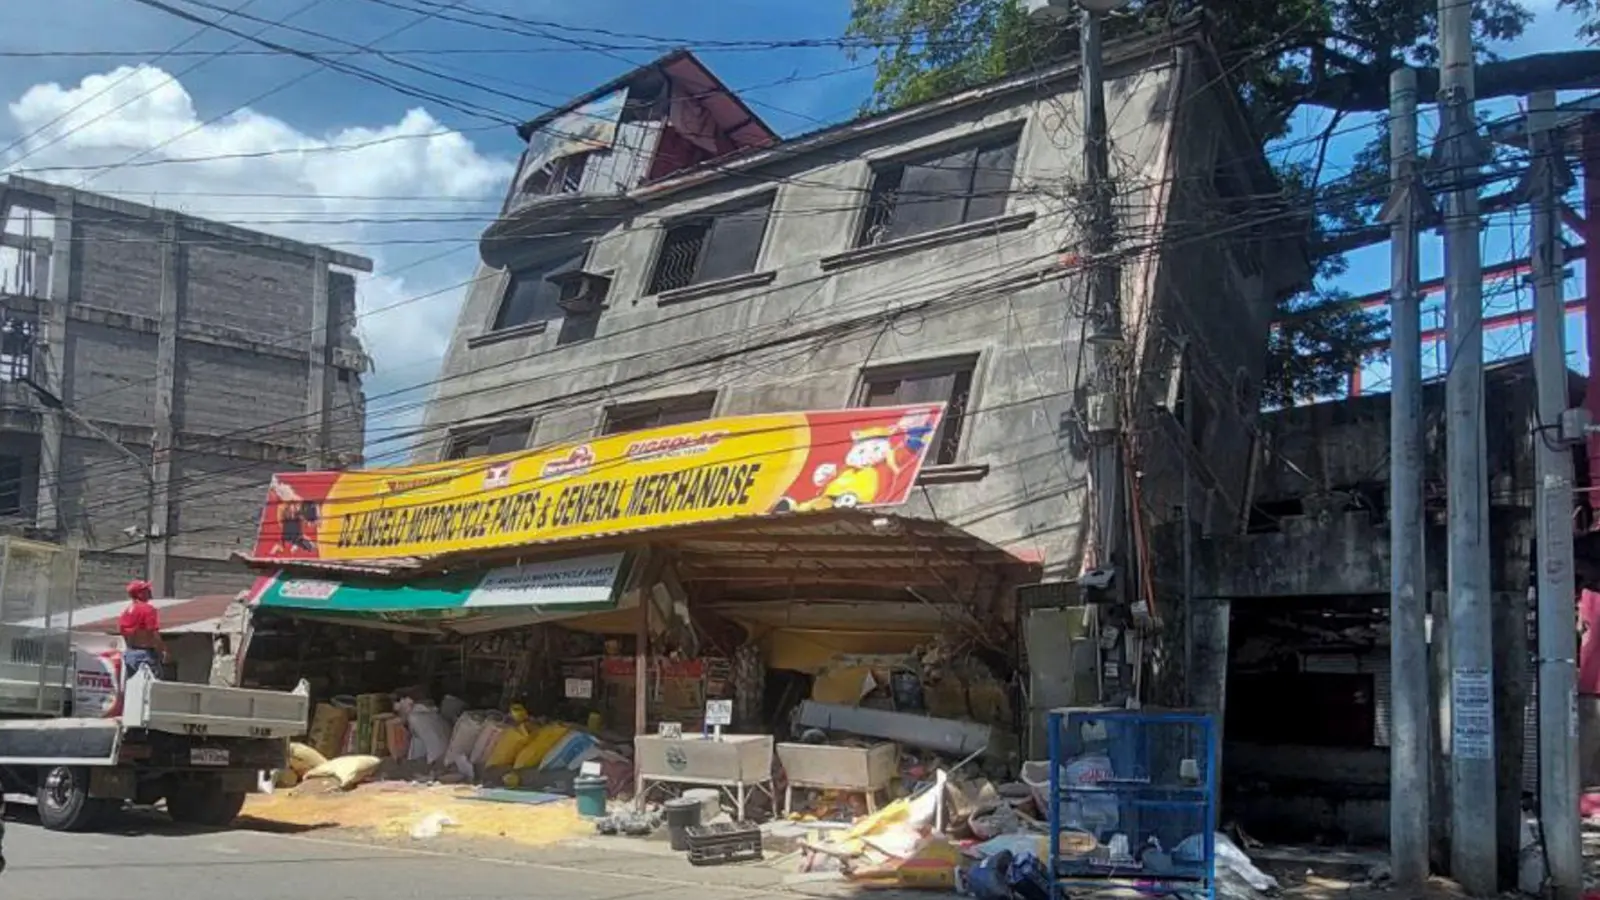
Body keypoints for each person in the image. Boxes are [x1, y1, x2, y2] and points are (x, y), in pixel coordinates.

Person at [118, 580, 168, 679]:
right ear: (139, 594)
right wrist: (163, 650)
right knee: (152, 687)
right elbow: (153, 633)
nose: (149, 591)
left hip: (130, 653)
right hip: (145, 655)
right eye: (146, 590)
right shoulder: (147, 609)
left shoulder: (127, 611)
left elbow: (124, 632)